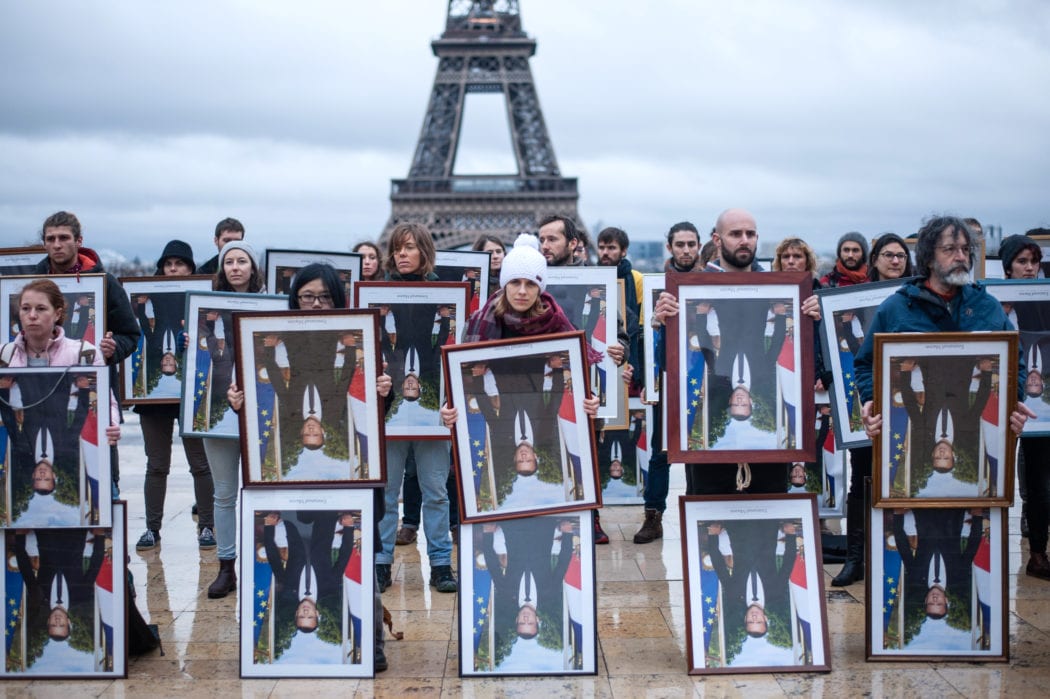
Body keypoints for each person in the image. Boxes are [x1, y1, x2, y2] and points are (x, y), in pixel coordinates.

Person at [854, 217, 1032, 507]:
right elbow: (865, 363)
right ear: (927, 257)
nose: (960, 256)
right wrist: (873, 400)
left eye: (964, 249)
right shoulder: (897, 309)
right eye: (949, 249)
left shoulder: (986, 307)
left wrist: (1013, 400)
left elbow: (1016, 360)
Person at [652, 208, 790, 496]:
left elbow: (788, 347)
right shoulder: (692, 291)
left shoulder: (781, 290)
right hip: (710, 448)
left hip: (767, 453)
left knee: (767, 523)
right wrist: (664, 324)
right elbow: (673, 360)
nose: (744, 240)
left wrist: (808, 319)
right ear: (717, 239)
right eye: (735, 234)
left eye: (750, 234)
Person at [827, 232, 914, 586]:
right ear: (874, 259)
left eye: (901, 256)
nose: (895, 261)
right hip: (866, 402)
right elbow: (843, 348)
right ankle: (855, 557)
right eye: (888, 255)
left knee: (904, 478)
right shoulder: (854, 301)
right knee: (862, 478)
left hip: (910, 402)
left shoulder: (918, 298)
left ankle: (897, 551)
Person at [374, 223, 457, 594]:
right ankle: (380, 561)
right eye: (396, 249)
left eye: (409, 247)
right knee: (387, 490)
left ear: (425, 250)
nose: (401, 255)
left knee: (436, 490)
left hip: (434, 410)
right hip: (388, 409)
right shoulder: (376, 298)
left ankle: (441, 563)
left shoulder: (446, 299)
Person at [537, 215, 629, 543]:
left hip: (587, 385)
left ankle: (590, 514)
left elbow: (618, 333)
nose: (545, 246)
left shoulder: (595, 283)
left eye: (553, 239)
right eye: (542, 239)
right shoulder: (530, 282)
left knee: (586, 450)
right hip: (547, 382)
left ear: (573, 243)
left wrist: (621, 350)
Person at [0, 280, 121, 527]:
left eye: (40, 309)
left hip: (92, 457)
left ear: (57, 313)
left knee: (106, 522)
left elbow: (106, 403)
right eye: (25, 309)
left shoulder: (83, 354)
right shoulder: (5, 356)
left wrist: (112, 426)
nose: (32, 315)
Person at [34, 211, 139, 490]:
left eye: (64, 238)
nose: (57, 244)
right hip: (40, 389)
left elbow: (131, 334)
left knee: (101, 477)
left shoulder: (105, 282)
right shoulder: (29, 283)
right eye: (50, 239)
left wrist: (113, 348)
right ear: (44, 243)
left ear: (78, 241)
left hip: (92, 390)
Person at [134, 240, 216, 552]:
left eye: (179, 264)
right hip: (154, 399)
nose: (172, 269)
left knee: (200, 463)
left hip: (189, 393)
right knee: (156, 464)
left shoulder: (199, 300)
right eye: (168, 264)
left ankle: (207, 525)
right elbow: (140, 329)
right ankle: (152, 528)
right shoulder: (151, 301)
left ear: (190, 269)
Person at [202, 240, 266, 600]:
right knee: (224, 492)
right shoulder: (206, 311)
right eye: (229, 261)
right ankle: (227, 565)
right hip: (219, 414)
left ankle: (263, 560)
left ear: (253, 267)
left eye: (242, 260)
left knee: (261, 492)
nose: (236, 267)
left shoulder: (272, 307)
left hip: (259, 412)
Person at [999, 234, 1050, 579]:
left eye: (1033, 261)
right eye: (1022, 262)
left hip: (1037, 407)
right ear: (1007, 268)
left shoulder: (1045, 298)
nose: (1030, 268)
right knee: (994, 476)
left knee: (1039, 478)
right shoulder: (991, 301)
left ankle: (1038, 553)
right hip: (998, 400)